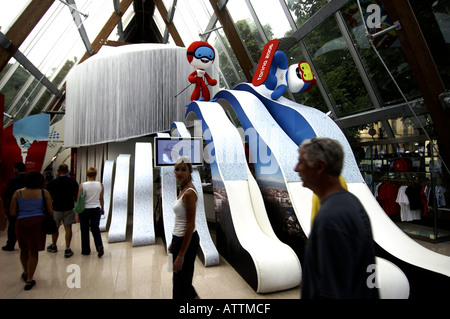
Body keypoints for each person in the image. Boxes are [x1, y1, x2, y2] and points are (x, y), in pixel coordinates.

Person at [294, 137, 378, 299]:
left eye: (301, 162)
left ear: (319, 167)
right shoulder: (351, 204)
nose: (296, 169)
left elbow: (331, 292)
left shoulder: (330, 220)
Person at [10, 171, 53, 290]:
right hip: (37, 223)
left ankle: (25, 272)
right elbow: (50, 211)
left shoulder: (18, 193)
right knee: (33, 251)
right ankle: (29, 279)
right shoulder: (44, 193)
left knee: (23, 249)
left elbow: (12, 212)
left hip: (21, 223)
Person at [168, 156, 200, 300]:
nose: (179, 173)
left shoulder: (189, 194)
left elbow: (190, 225)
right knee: (181, 281)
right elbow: (179, 220)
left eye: (183, 170)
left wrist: (181, 255)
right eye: (177, 169)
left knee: (182, 283)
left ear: (190, 172)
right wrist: (173, 241)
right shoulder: (182, 190)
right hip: (179, 239)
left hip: (187, 241)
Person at [46, 164, 79, 257]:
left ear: (59, 171)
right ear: (67, 171)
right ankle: (67, 248)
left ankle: (54, 246)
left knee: (55, 227)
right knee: (68, 228)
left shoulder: (53, 182)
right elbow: (76, 196)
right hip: (69, 207)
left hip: (56, 207)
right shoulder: (73, 182)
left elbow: (50, 197)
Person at [77, 167, 104, 257]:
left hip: (85, 209)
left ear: (87, 174)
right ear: (96, 175)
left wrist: (77, 211)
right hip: (96, 209)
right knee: (95, 228)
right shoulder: (100, 185)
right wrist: (102, 208)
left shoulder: (82, 185)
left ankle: (86, 250)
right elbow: (101, 198)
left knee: (84, 229)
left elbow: (78, 199)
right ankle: (99, 245)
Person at [2, 162, 26, 251]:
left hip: (14, 206)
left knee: (12, 226)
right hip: (26, 206)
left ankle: (10, 244)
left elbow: (7, 194)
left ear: (16, 169)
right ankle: (25, 243)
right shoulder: (28, 179)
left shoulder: (12, 180)